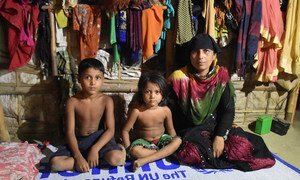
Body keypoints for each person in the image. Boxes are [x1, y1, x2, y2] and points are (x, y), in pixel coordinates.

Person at [167, 33, 275, 171]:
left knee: (242, 146)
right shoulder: (179, 78)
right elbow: (167, 109)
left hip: (214, 125)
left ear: (214, 55)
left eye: (206, 51)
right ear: (190, 55)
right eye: (195, 51)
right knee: (190, 153)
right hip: (189, 129)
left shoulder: (221, 77)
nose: (201, 56)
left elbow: (228, 110)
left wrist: (220, 136)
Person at [50, 58, 126, 173]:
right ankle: (88, 160)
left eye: (97, 78)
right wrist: (78, 157)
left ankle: (115, 150)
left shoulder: (106, 100)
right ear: (79, 79)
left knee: (116, 159)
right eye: (87, 77)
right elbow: (70, 132)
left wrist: (95, 149)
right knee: (56, 164)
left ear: (103, 79)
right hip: (80, 141)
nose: (93, 83)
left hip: (99, 139)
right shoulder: (73, 102)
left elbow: (110, 130)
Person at [122, 71, 182, 171]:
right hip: (143, 143)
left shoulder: (165, 111)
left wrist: (173, 141)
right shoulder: (137, 111)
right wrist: (128, 150)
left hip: (161, 140)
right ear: (141, 93)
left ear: (163, 94)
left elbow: (171, 130)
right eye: (147, 92)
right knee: (135, 151)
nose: (152, 96)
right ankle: (164, 153)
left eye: (157, 92)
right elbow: (125, 131)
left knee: (178, 140)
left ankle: (145, 160)